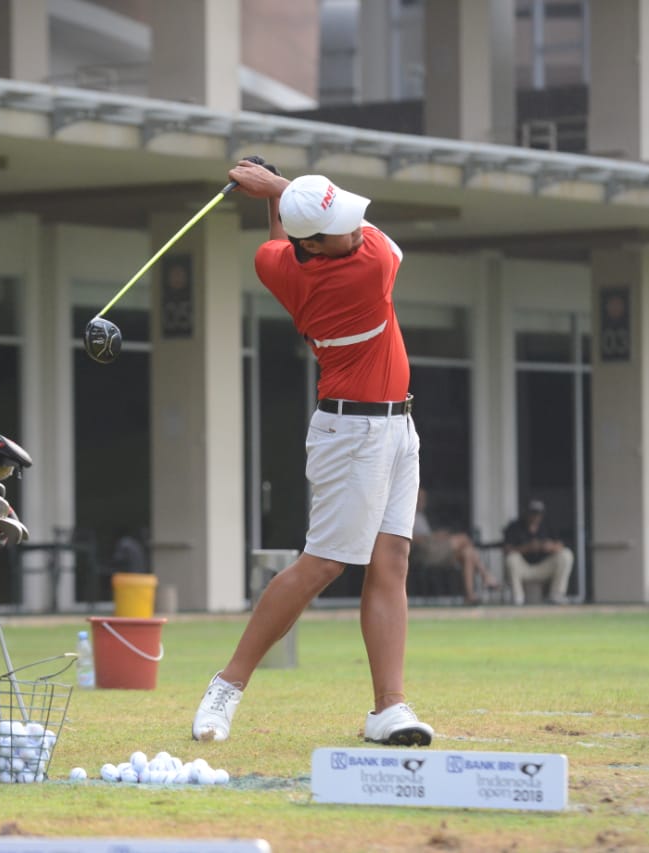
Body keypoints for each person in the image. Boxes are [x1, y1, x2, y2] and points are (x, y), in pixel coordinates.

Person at [191, 159, 431, 747]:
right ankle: (226, 685)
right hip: (353, 435)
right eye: (342, 225)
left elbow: (281, 242)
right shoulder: (372, 264)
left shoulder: (279, 263)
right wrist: (278, 187)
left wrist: (275, 200)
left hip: (396, 427)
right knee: (322, 563)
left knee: (391, 560)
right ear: (318, 245)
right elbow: (305, 230)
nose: (357, 227)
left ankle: (389, 708)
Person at [412, 487, 500, 605]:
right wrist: (435, 537)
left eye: (424, 498)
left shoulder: (421, 516)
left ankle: (470, 595)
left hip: (436, 552)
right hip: (423, 553)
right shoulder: (408, 515)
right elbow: (412, 538)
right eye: (420, 498)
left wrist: (438, 536)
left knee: (468, 552)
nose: (423, 501)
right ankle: (485, 575)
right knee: (463, 538)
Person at [502, 499, 574, 606]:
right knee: (512, 558)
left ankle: (557, 594)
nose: (535, 517)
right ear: (526, 513)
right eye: (533, 513)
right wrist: (527, 548)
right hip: (524, 567)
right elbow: (507, 549)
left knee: (566, 554)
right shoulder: (515, 526)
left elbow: (560, 545)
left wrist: (550, 546)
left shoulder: (547, 525)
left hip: (543, 567)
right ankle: (518, 597)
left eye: (538, 514)